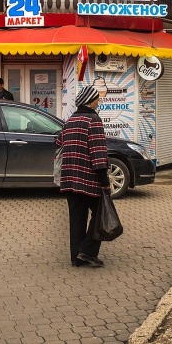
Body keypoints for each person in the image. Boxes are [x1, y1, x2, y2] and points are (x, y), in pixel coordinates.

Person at [57, 86, 111, 268]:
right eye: (97, 98)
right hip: (88, 179)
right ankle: (87, 252)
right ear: (90, 100)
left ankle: (76, 258)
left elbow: (58, 142)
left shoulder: (70, 120)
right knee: (99, 214)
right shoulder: (93, 120)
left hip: (69, 178)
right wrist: (105, 183)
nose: (99, 101)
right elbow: (98, 153)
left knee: (77, 218)